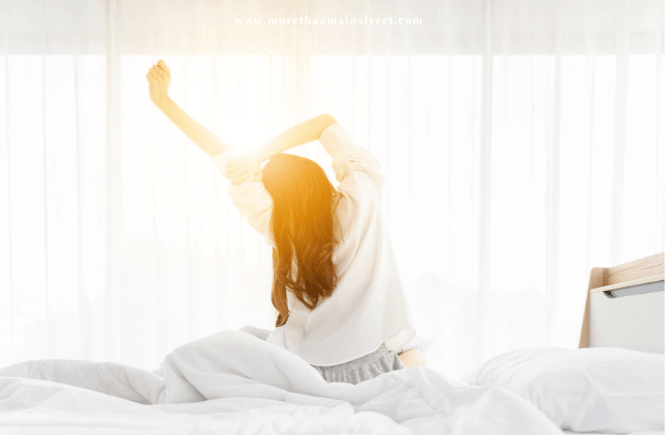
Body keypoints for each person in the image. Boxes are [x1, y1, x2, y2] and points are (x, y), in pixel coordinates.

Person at [146, 59, 426, 384]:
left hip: (302, 373)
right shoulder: (361, 197)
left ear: (276, 197)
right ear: (319, 178)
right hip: (373, 367)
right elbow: (324, 124)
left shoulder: (279, 224)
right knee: (411, 350)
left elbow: (227, 161)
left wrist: (164, 102)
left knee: (217, 351)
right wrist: (260, 152)